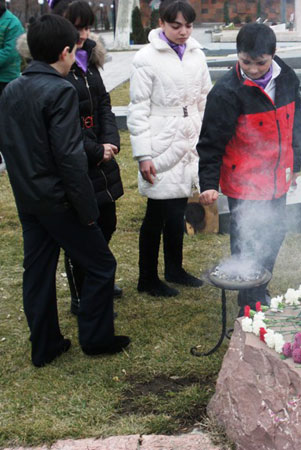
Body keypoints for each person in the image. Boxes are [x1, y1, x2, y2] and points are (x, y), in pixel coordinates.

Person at [0, 14, 129, 367]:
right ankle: (96, 339)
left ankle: (45, 345)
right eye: (73, 51)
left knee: (38, 271)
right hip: (58, 200)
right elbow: (69, 156)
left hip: (29, 199)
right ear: (64, 52)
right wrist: (87, 210)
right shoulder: (60, 90)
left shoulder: (12, 88)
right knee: (101, 264)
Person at [197, 23, 301, 316]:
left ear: (273, 54)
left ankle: (259, 286)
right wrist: (208, 183)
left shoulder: (287, 78)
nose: (254, 70)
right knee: (247, 237)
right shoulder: (225, 92)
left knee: (275, 232)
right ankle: (249, 302)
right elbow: (210, 142)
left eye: (261, 62)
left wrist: (296, 164)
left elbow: (297, 123)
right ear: (238, 55)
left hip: (278, 176)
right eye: (246, 62)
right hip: (244, 180)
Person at [128, 0, 211, 297]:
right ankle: (147, 277)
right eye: (176, 26)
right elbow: (138, 108)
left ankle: (174, 268)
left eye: (188, 26)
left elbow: (205, 98)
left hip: (190, 137)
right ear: (161, 23)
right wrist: (144, 154)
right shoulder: (145, 58)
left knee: (178, 208)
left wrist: (207, 137)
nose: (183, 32)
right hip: (161, 139)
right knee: (157, 212)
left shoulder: (197, 55)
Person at [50, 0, 124, 314]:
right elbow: (62, 125)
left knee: (107, 222)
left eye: (87, 27)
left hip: (100, 157)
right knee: (83, 233)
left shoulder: (88, 59)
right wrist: (96, 150)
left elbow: (104, 103)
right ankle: (82, 295)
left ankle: (97, 277)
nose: (83, 34)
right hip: (78, 161)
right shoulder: (54, 66)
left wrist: (110, 140)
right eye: (76, 27)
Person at [0, 0, 25, 170]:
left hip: (6, 80)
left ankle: (12, 155)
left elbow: (9, 53)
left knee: (7, 122)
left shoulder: (12, 23)